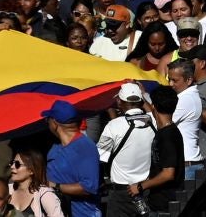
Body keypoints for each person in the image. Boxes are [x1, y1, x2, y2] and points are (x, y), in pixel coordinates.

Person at [96, 84, 156, 217]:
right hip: (147, 190)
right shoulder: (154, 121)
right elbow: (150, 110)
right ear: (141, 101)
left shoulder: (113, 126)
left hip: (120, 195)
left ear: (119, 101)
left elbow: (100, 157)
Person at [41, 100, 101, 217]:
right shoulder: (55, 147)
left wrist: (55, 186)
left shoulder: (85, 147)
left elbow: (89, 187)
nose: (47, 123)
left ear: (54, 123)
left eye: (47, 119)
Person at [129, 86, 182, 212]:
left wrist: (141, 186)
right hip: (162, 202)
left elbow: (168, 174)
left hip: (165, 205)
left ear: (154, 106)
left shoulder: (167, 136)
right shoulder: (169, 131)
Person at [165, 59, 203, 178]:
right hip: (187, 164)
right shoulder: (185, 96)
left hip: (187, 166)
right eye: (169, 79)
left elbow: (162, 122)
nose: (170, 84)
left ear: (189, 80)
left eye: (174, 80)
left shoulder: (185, 99)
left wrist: (144, 100)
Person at [7, 149, 62, 217]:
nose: (12, 167)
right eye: (12, 163)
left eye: (17, 164)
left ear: (31, 170)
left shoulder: (45, 195)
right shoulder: (7, 190)